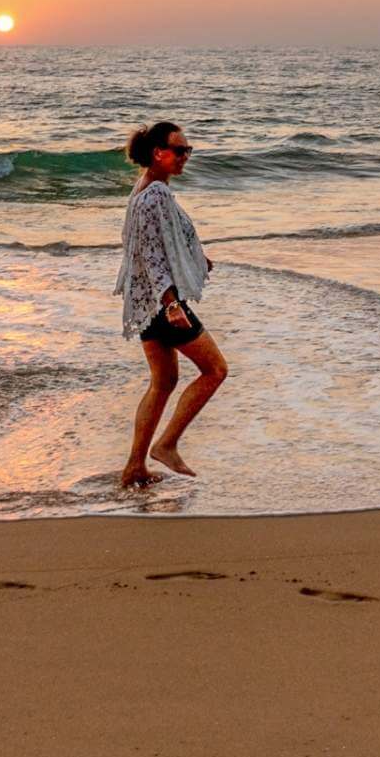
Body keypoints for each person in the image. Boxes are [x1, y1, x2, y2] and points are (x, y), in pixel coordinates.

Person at [112, 120, 228, 488]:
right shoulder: (155, 195)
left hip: (145, 302)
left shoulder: (145, 189)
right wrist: (172, 304)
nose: (185, 157)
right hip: (161, 304)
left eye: (187, 150)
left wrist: (196, 258)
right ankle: (167, 444)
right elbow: (150, 256)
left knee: (163, 382)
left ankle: (133, 468)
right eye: (179, 151)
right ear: (157, 153)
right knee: (215, 370)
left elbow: (163, 242)